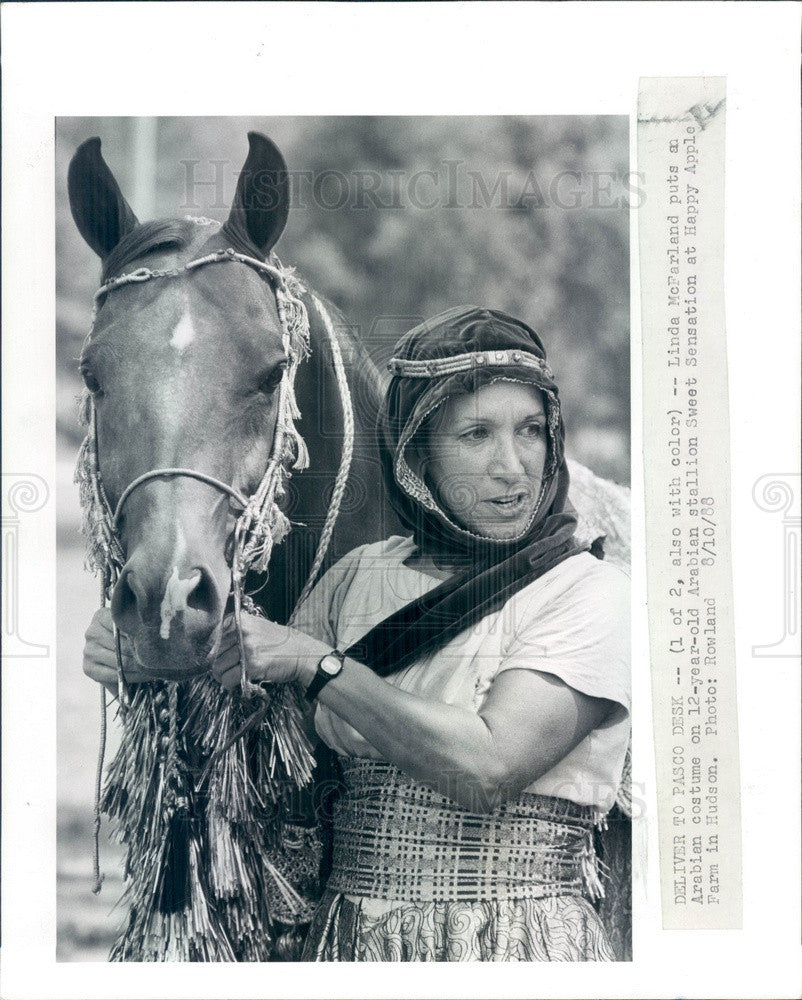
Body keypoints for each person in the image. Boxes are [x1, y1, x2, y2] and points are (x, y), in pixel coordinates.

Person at [85, 306, 630, 962]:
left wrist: (323, 666)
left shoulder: (587, 592)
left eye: (532, 431)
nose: (512, 466)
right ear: (414, 451)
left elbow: (489, 767)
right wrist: (151, 650)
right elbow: (255, 716)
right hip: (351, 944)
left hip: (512, 944)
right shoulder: (360, 579)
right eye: (477, 435)